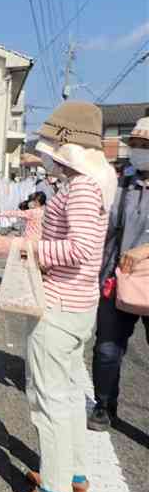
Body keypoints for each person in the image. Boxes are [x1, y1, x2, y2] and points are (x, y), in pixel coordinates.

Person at [0, 101, 116, 492]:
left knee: (49, 399)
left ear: (68, 145)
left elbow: (76, 251)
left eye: (53, 145)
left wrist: (16, 247)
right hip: (79, 307)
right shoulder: (93, 184)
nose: (47, 154)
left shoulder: (80, 189)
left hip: (57, 307)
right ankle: (71, 474)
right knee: (70, 395)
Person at [89, 116, 149, 430]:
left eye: (145, 145)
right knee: (107, 347)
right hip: (117, 278)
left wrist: (145, 249)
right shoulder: (121, 183)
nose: (139, 151)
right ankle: (104, 403)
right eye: (135, 145)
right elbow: (105, 230)